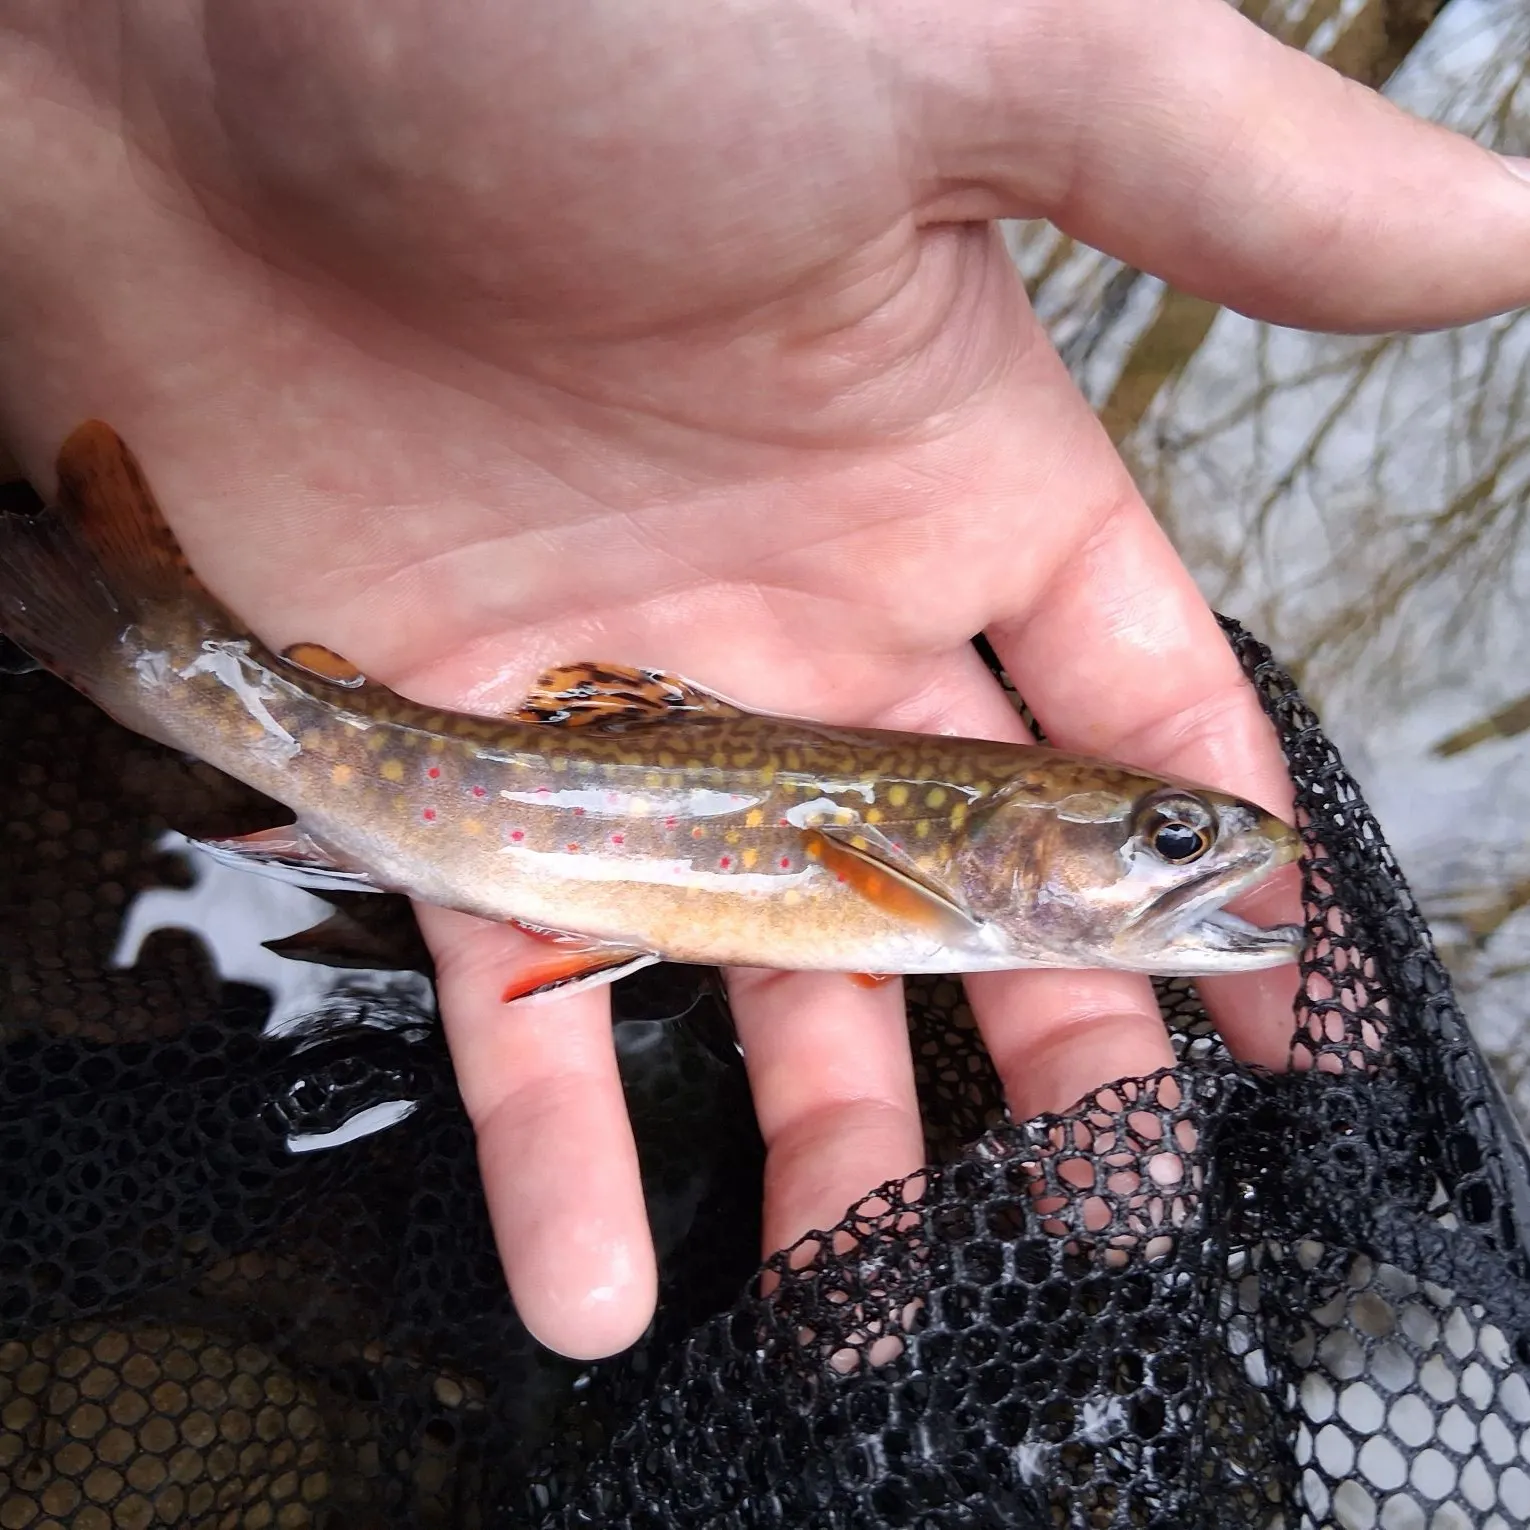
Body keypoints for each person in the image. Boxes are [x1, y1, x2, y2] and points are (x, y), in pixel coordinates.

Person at [1, 0, 1527, 1361]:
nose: (1200, 855)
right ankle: (137, 647)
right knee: (183, 678)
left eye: (1174, 839)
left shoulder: (937, 866)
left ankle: (134, 639)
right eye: (1168, 836)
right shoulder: (911, 868)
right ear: (996, 844)